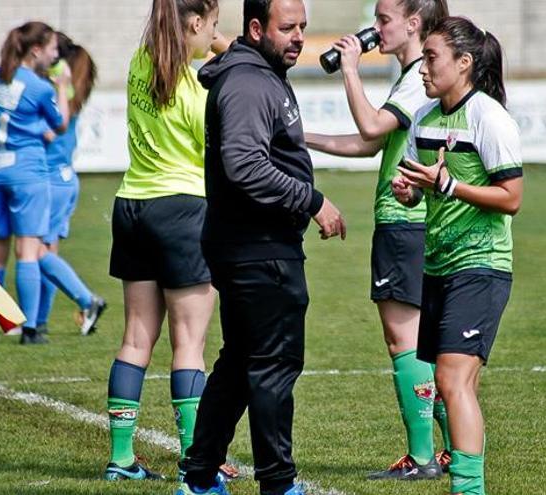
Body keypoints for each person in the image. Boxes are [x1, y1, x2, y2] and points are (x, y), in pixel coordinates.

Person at [177, 1, 346, 494]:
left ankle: (200, 478)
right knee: (274, 365)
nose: (298, 37)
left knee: (239, 363)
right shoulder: (249, 82)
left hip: (250, 243)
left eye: (303, 28)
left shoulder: (260, 71)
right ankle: (278, 484)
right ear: (256, 28)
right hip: (258, 248)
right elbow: (245, 165)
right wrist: (312, 200)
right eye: (287, 27)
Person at [304, 0, 450, 480]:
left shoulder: (413, 80)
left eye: (383, 19)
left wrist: (350, 68)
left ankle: (423, 456)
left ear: (413, 23)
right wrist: (300, 136)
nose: (374, 29)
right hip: (417, 221)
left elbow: (369, 126)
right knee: (423, 341)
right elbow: (369, 143)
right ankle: (453, 449)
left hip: (403, 220)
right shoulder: (413, 76)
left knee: (404, 341)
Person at [392, 16, 522, 495]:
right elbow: (422, 192)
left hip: (482, 264)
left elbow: (512, 197)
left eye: (432, 58)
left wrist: (448, 183)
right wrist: (409, 192)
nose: (423, 68)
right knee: (455, 383)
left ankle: (469, 490)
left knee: (452, 381)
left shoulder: (488, 117)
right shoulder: (425, 121)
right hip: (439, 265)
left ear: (464, 63)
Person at [104, 0, 231, 482]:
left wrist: (213, 38)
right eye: (213, 25)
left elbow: (181, 38)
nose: (216, 35)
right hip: (182, 210)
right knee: (189, 345)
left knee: (136, 338)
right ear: (196, 23)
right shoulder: (199, 92)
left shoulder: (142, 61)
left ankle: (121, 459)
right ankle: (196, 463)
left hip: (132, 206)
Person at [0, 21, 71, 345]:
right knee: (27, 250)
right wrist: (61, 87)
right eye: (52, 49)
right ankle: (29, 329)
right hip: (26, 171)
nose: (55, 55)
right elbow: (60, 125)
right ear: (36, 50)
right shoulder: (38, 86)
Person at [35, 32, 107, 337]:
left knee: (34, 252)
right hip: (66, 180)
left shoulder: (56, 92)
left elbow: (47, 133)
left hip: (50, 180)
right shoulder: (74, 92)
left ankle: (86, 299)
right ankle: (38, 323)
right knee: (47, 253)